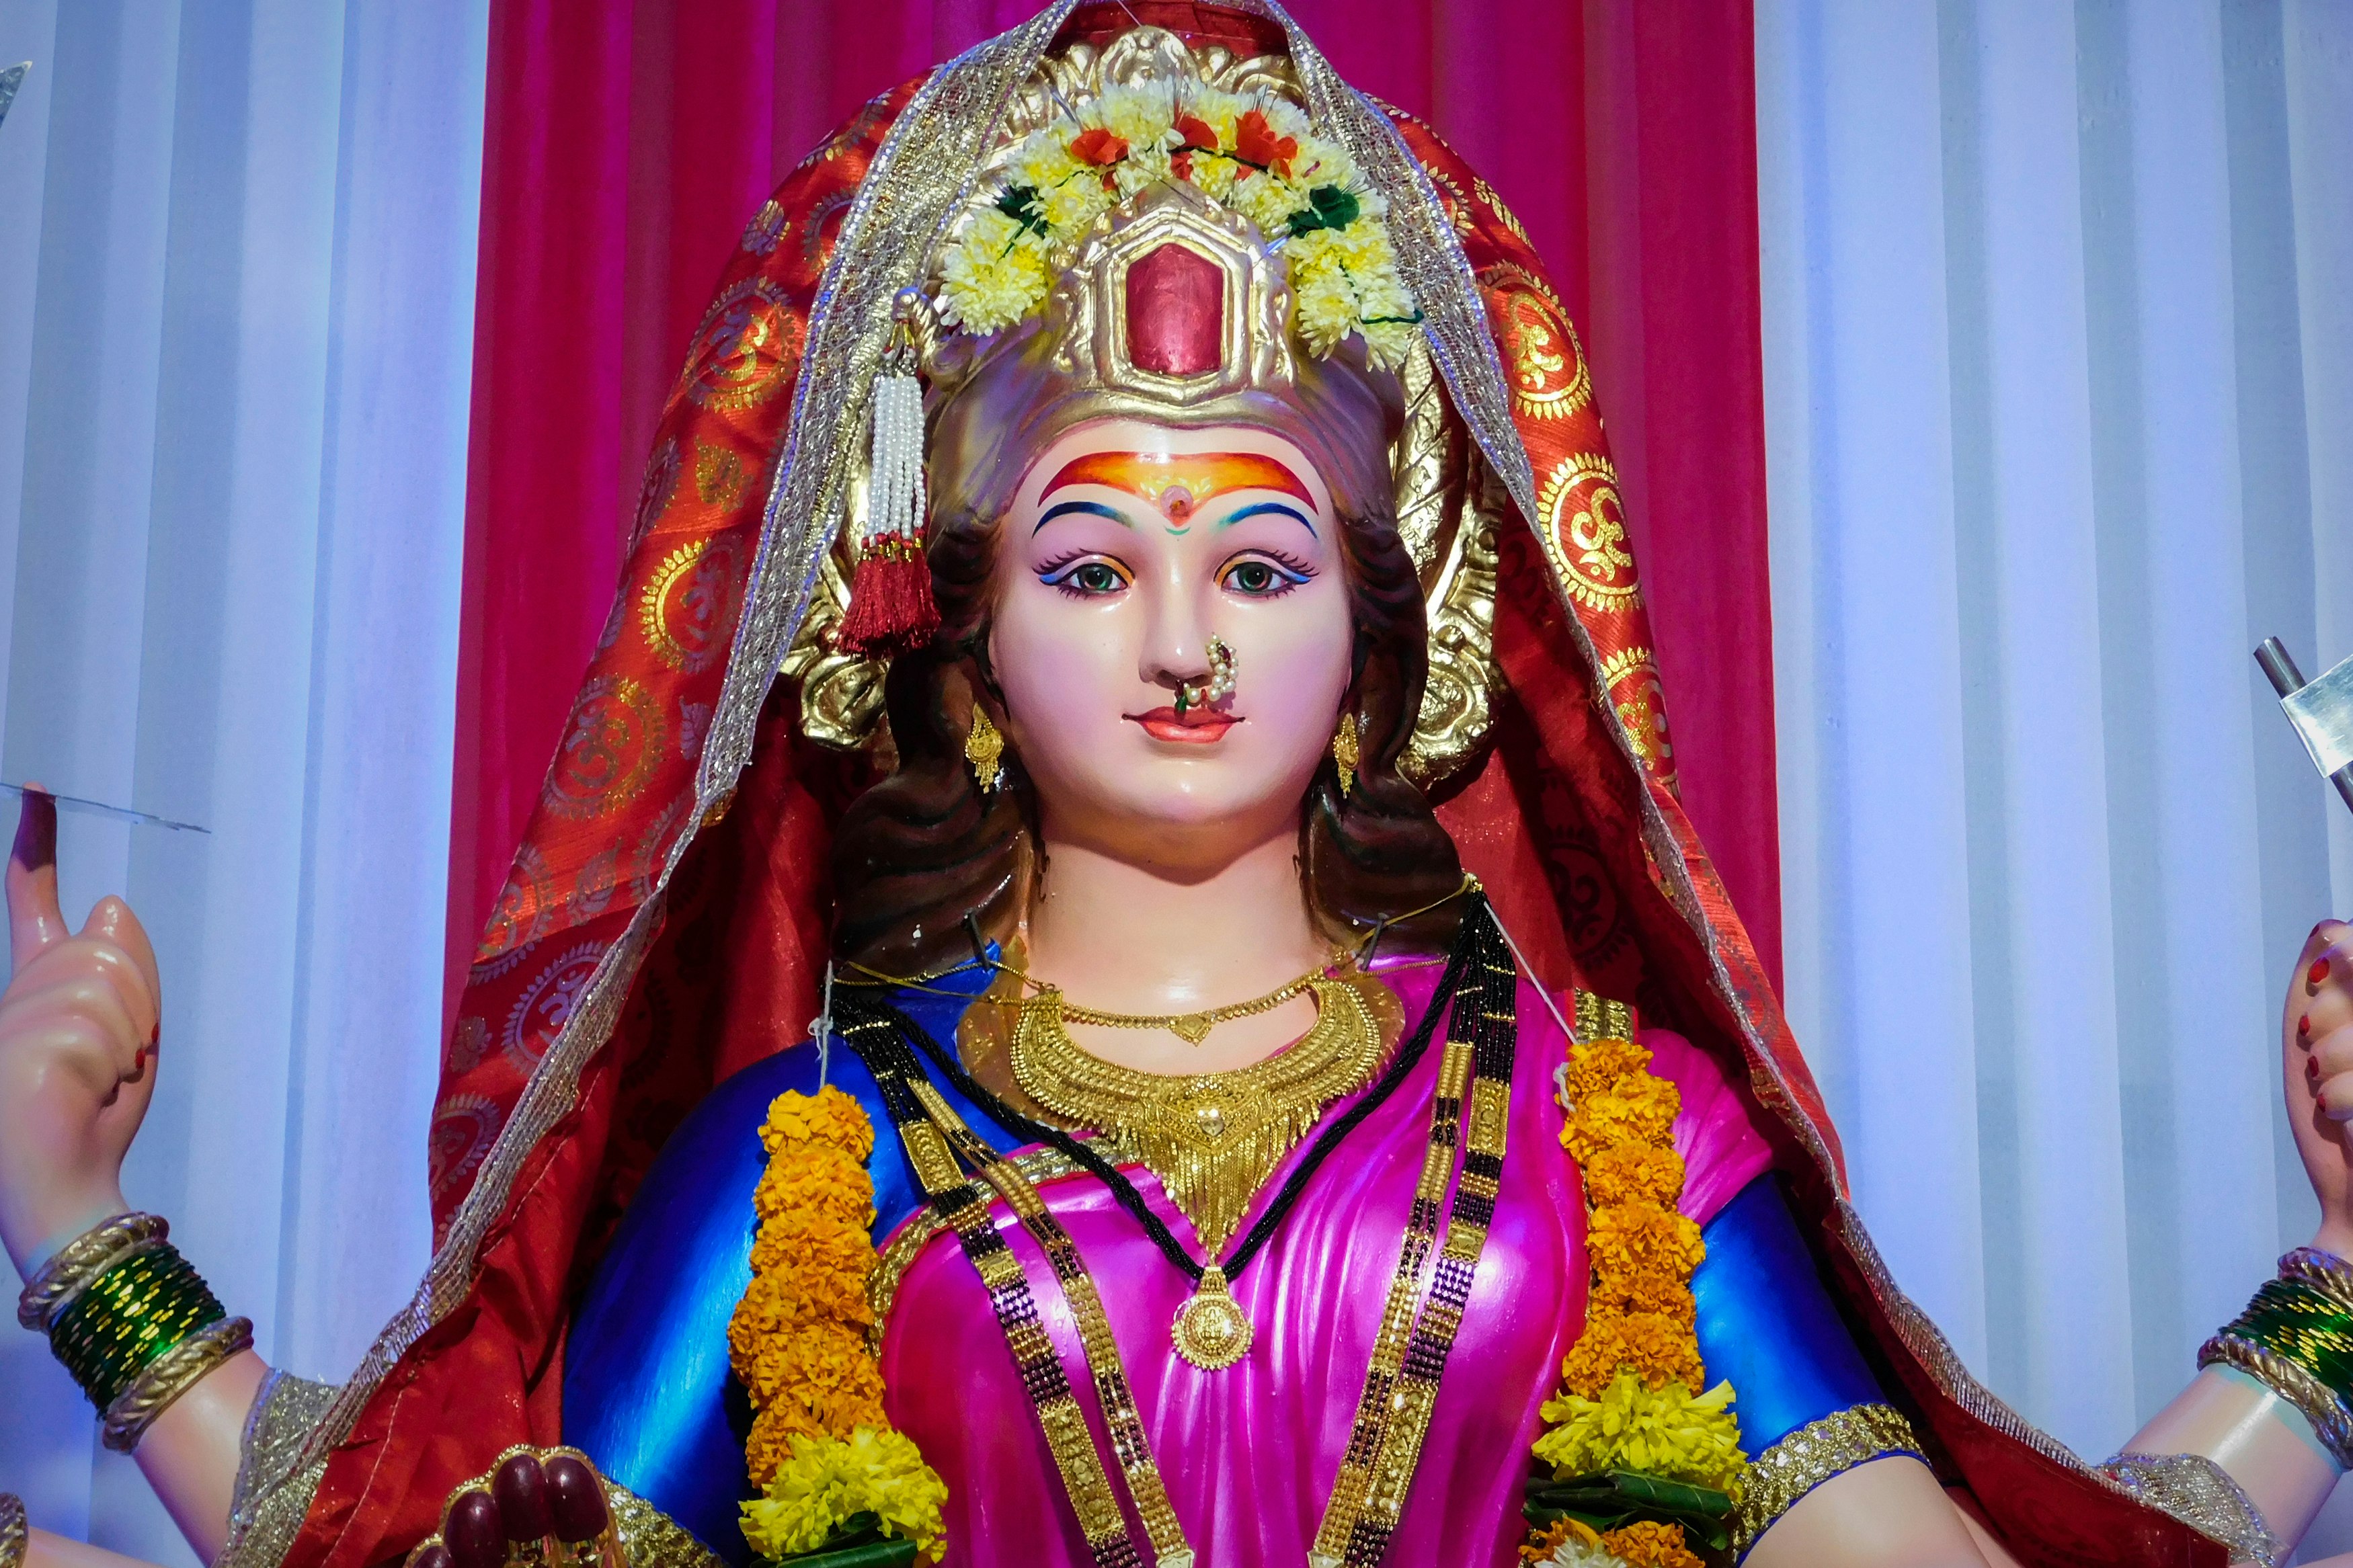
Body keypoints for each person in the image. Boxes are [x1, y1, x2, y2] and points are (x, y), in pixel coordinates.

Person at [3, 7, 2350, 1567]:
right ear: (954, 625)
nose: (1185, 640)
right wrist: (70, 1220)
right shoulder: (804, 1162)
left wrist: (2336, 1294)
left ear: (1379, 610)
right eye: (1089, 557)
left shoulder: (1603, 1142)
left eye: (1255, 556)